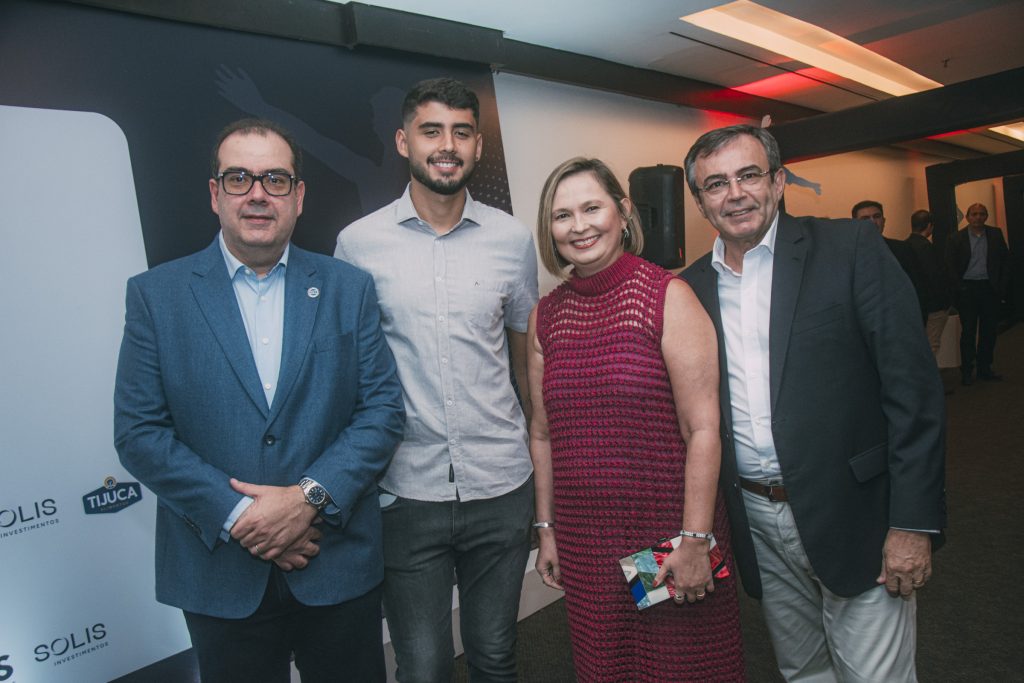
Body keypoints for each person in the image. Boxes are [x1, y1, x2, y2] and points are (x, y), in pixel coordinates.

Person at [114, 119, 405, 682]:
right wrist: (244, 515)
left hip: (335, 560)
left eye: (274, 179)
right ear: (214, 193)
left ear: (298, 196)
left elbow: (381, 411)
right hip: (218, 572)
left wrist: (307, 500)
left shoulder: (349, 289)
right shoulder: (156, 296)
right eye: (239, 177)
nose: (256, 194)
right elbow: (140, 433)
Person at [682, 124, 946, 682]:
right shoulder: (687, 291)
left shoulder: (849, 249)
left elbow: (913, 393)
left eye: (749, 175)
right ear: (700, 200)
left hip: (856, 515)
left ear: (778, 182)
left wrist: (913, 523)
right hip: (755, 518)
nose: (735, 194)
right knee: (803, 673)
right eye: (716, 183)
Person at [334, 77, 538, 682]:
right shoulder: (358, 244)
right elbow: (348, 374)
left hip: (501, 483)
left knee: (496, 656)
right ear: (403, 141)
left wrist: (541, 452)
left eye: (461, 132)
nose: (446, 145)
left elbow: (527, 351)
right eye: (431, 131)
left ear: (477, 147)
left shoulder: (512, 238)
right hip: (406, 490)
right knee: (422, 668)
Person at [528, 157, 744, 681]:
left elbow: (703, 430)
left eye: (591, 208)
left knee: (683, 668)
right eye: (562, 215)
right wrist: (546, 530)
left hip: (665, 536)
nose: (578, 226)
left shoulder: (667, 296)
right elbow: (541, 432)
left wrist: (696, 540)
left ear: (623, 213)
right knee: (609, 668)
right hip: (587, 542)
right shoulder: (547, 315)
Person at [948, 202, 1009, 384]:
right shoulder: (955, 238)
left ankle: (985, 368)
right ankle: (967, 371)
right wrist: (959, 288)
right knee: (968, 332)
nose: (978, 217)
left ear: (986, 216)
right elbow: (949, 267)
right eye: (974, 214)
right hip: (968, 289)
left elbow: (1006, 261)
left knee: (989, 331)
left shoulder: (995, 234)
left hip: (989, 289)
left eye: (982, 214)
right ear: (967, 217)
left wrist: (1001, 286)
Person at [852, 199, 923, 298]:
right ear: (855, 224)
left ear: (884, 221)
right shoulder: (850, 256)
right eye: (865, 218)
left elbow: (918, 286)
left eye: (877, 216)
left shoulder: (903, 249)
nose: (872, 221)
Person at [905, 209, 952, 357]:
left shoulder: (904, 246)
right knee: (932, 343)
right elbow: (934, 277)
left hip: (914, 303)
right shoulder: (926, 247)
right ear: (929, 226)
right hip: (933, 304)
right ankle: (929, 378)